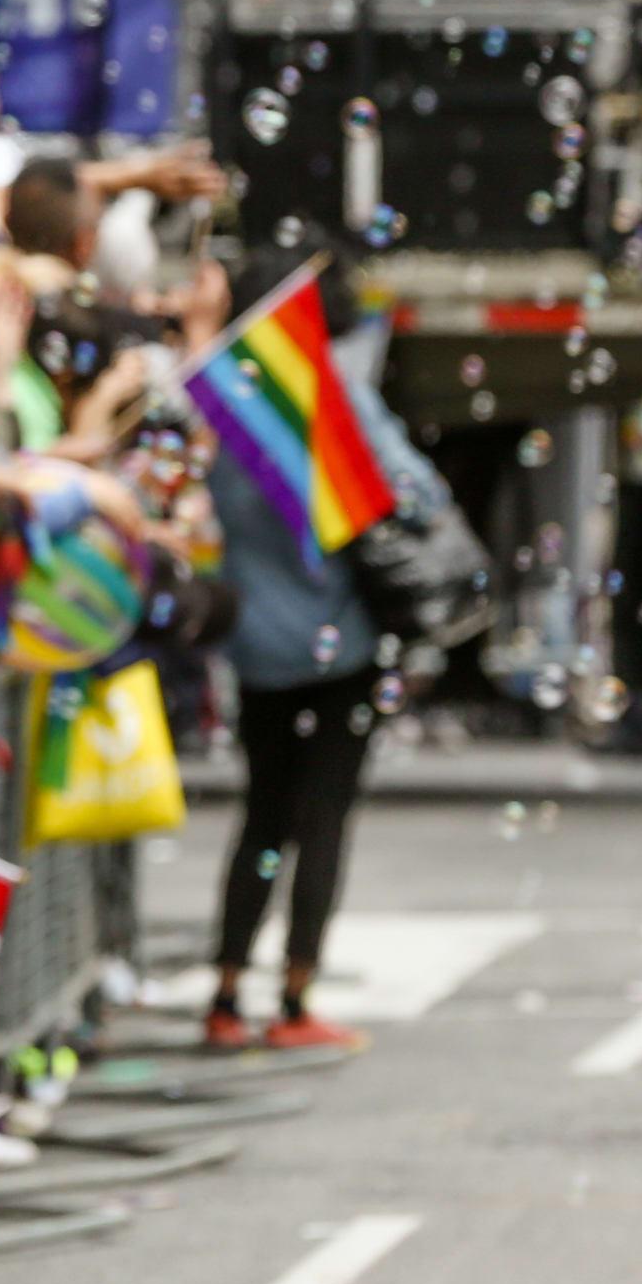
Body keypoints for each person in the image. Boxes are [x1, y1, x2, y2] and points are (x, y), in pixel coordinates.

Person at [182, 253, 414, 1052]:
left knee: (262, 819)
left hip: (256, 649)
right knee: (325, 823)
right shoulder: (328, 396)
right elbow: (411, 489)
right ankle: (294, 1000)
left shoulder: (215, 403)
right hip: (340, 641)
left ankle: (221, 995)